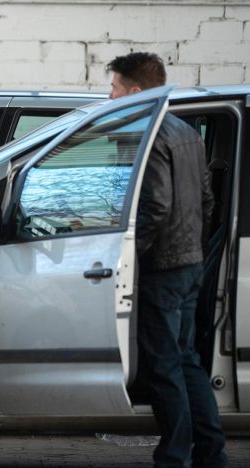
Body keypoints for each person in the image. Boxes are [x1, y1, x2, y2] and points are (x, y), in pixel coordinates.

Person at [106, 52, 228, 468]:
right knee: (186, 361)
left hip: (162, 268)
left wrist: (126, 253)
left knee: (162, 368)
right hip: (189, 262)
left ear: (134, 92)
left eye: (114, 87)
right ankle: (212, 453)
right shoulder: (186, 131)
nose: (110, 95)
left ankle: (174, 457)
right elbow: (207, 200)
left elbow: (156, 206)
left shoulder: (150, 133)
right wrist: (193, 245)